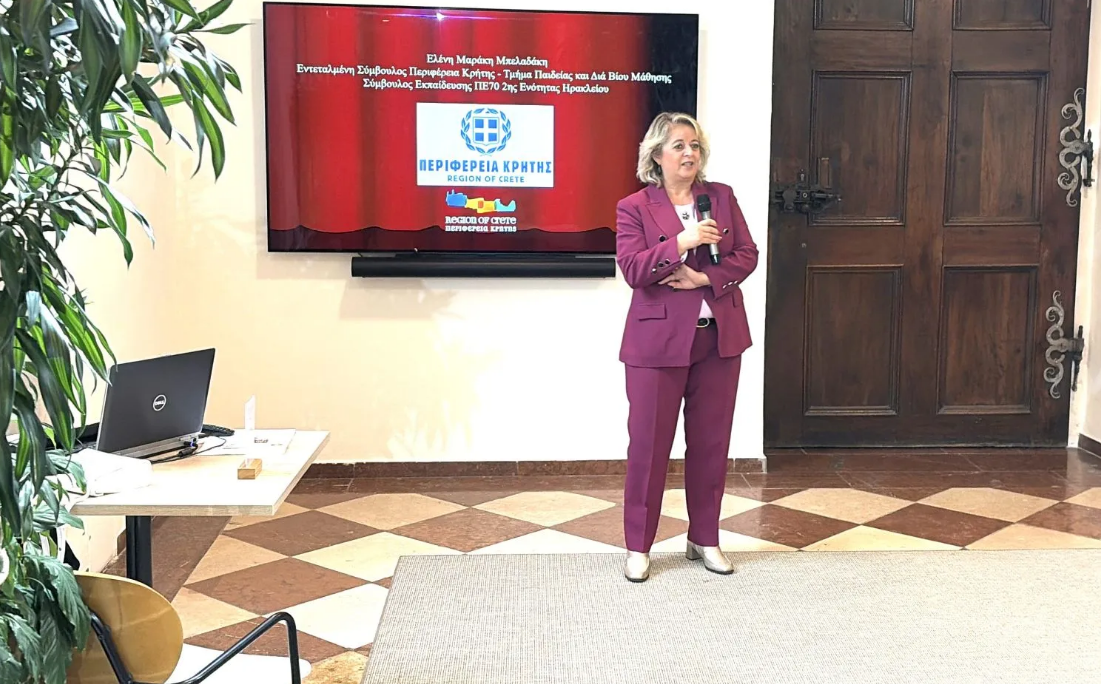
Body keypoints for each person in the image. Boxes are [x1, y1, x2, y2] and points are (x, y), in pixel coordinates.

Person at [614, 112, 758, 582]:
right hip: (656, 343)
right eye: (678, 145)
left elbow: (747, 254)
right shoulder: (634, 206)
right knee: (649, 446)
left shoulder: (721, 197)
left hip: (718, 338)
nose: (689, 153)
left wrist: (704, 278)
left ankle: (705, 538)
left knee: (712, 444)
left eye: (694, 145)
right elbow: (634, 270)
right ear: (657, 155)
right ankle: (639, 546)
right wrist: (682, 241)